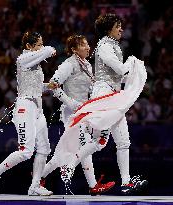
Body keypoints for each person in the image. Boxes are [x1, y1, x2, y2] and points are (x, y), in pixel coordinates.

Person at [55, 13, 148, 195]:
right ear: (108, 29)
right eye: (117, 25)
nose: (121, 29)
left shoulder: (113, 46)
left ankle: (126, 182)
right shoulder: (104, 46)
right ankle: (69, 164)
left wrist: (134, 70)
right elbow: (121, 69)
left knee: (122, 142)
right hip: (104, 94)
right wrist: (133, 63)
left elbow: (121, 75)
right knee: (100, 140)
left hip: (113, 95)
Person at [0, 31, 56, 196]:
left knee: (44, 148)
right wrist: (48, 48)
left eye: (41, 44)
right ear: (29, 46)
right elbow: (49, 50)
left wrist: (47, 86)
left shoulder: (35, 62)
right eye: (38, 44)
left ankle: (35, 186)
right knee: (26, 151)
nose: (41, 47)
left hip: (37, 109)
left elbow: (33, 85)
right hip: (25, 108)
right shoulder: (22, 59)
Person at [43, 35, 115, 195]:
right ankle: (92, 185)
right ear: (74, 49)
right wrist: (71, 103)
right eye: (83, 45)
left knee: (69, 151)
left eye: (87, 44)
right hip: (72, 113)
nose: (88, 47)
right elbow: (53, 86)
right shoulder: (68, 64)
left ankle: (39, 177)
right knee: (83, 146)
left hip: (85, 112)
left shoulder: (87, 65)